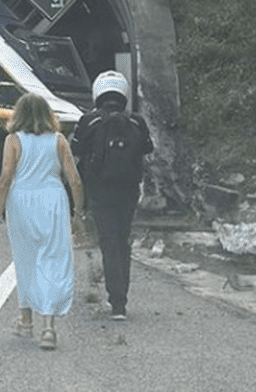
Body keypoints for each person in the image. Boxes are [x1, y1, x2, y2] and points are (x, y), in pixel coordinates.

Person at [0, 93, 84, 350]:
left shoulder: (13, 140)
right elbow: (74, 179)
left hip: (21, 201)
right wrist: (79, 215)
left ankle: (26, 321)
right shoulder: (59, 140)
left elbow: (5, 178)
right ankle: (49, 329)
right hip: (53, 200)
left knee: (26, 260)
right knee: (52, 261)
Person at [70, 70, 154, 322]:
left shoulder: (89, 121)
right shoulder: (137, 121)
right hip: (128, 190)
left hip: (99, 189)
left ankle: (115, 302)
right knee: (123, 239)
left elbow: (75, 150)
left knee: (108, 241)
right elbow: (148, 148)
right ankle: (122, 300)